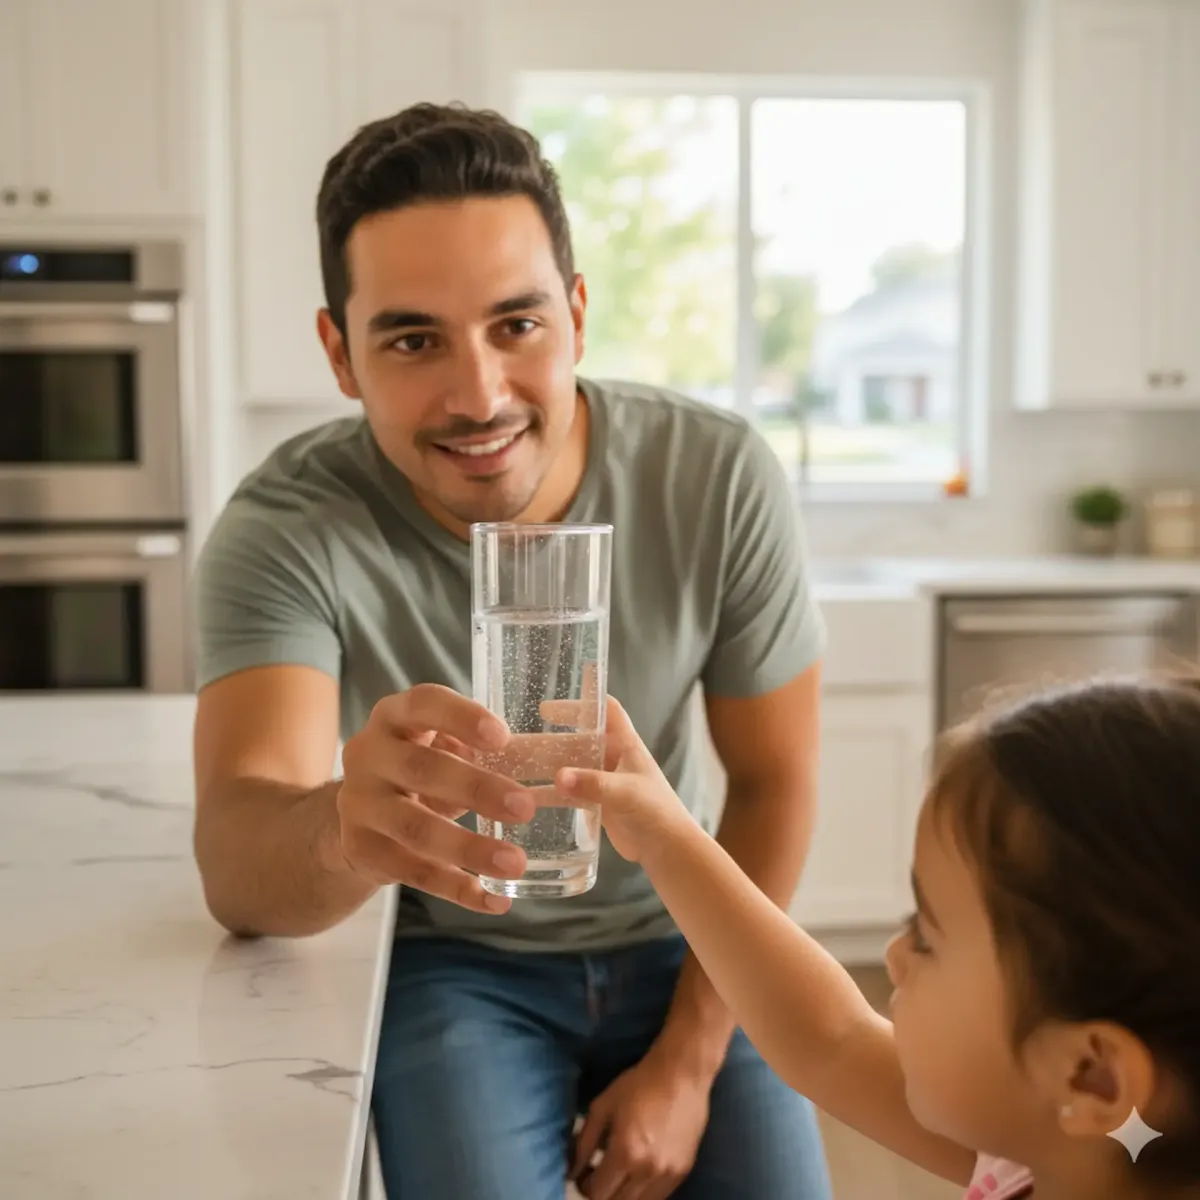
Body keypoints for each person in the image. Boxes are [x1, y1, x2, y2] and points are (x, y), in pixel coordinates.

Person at [190, 101, 834, 1200]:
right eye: (411, 339)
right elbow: (241, 867)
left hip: (693, 939)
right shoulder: (286, 527)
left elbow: (775, 784)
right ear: (340, 355)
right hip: (456, 960)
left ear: (577, 314)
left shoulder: (717, 476)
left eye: (516, 325)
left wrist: (685, 1066)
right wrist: (347, 827)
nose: (478, 394)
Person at [554, 676, 1200, 1200]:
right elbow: (829, 1039)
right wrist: (666, 837)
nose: (895, 955)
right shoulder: (1073, 1149)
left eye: (928, 937)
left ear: (1093, 1078)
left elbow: (832, 1043)